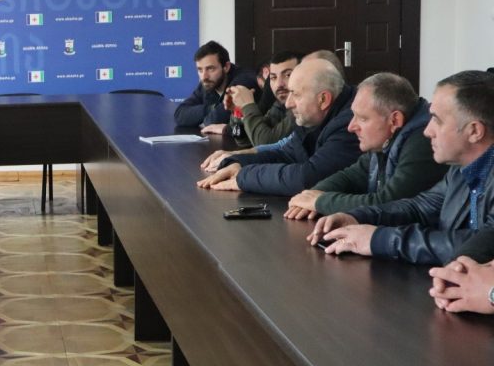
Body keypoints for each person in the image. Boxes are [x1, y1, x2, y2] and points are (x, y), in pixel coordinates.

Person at [310, 70, 494, 264]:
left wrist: (378, 240)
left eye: (437, 120)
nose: (427, 131)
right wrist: (356, 217)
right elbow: (419, 207)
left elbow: (480, 245)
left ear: (474, 131)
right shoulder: (460, 169)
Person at [285, 73, 446, 219]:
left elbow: (387, 203)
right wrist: (312, 195)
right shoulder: (385, 139)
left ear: (395, 120)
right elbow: (352, 176)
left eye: (362, 118)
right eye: (353, 115)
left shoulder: (423, 142)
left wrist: (320, 201)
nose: (351, 127)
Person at [197, 58, 360, 195]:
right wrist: (238, 162)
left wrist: (244, 176)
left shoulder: (350, 123)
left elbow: (309, 178)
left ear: (323, 99)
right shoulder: (313, 115)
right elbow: (287, 154)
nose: (288, 103)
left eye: (296, 94)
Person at [218, 51, 300, 146]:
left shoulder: (302, 108)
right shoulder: (279, 104)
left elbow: (265, 143)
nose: (279, 84)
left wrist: (247, 105)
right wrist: (239, 111)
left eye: (288, 75)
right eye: (273, 77)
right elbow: (246, 139)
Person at [173, 40, 258, 128]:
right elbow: (179, 115)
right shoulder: (208, 83)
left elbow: (213, 121)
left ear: (226, 67)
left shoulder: (243, 80)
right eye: (200, 70)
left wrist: (205, 115)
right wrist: (211, 108)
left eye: (210, 69)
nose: (204, 76)